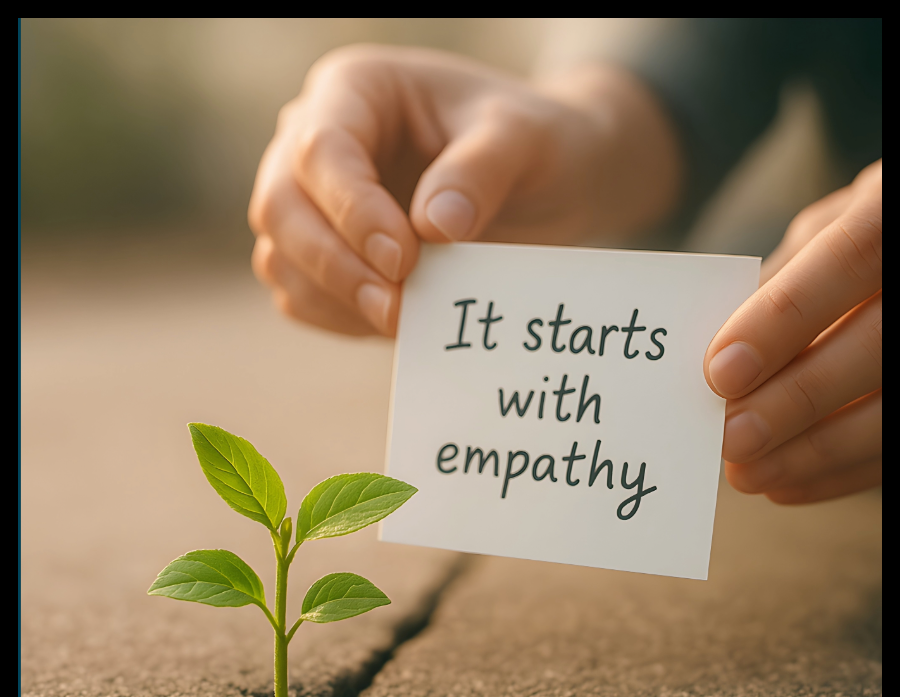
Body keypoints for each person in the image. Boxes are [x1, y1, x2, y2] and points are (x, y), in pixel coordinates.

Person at [248, 18, 881, 506]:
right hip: (833, 268)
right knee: (747, 292)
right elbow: (716, 50)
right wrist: (583, 124)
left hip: (830, 279)